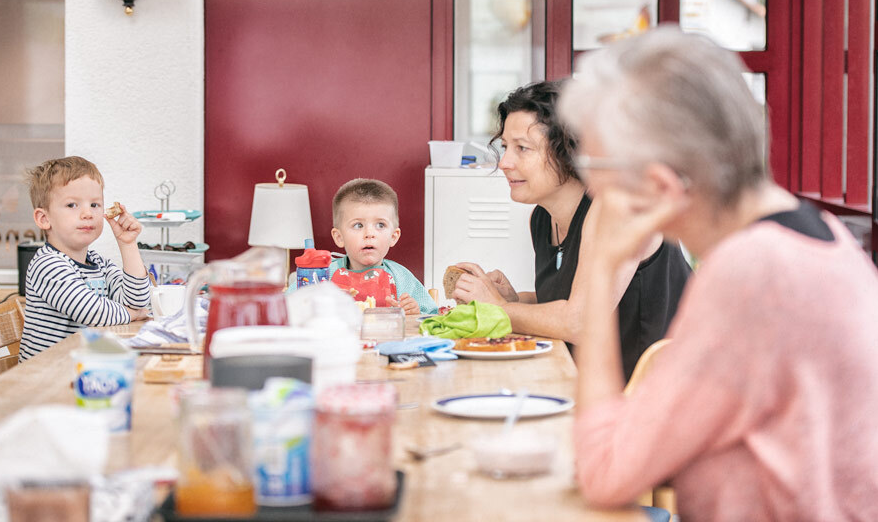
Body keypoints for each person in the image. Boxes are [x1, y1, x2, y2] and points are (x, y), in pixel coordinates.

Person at [564, 27, 878, 520]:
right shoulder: (827, 237)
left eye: (593, 170)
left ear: (659, 186)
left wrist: (603, 266)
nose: (591, 193)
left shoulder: (753, 273)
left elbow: (605, 471)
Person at [452, 81, 691, 379]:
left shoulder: (617, 208)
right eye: (504, 147)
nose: (504, 162)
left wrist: (497, 308)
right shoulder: (542, 218)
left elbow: (580, 322)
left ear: (570, 152)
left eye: (522, 148)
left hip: (661, 394)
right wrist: (515, 301)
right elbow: (570, 300)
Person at [19, 156, 151, 361]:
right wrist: (133, 314)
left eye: (95, 205)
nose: (87, 213)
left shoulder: (99, 263)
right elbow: (93, 313)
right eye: (72, 205)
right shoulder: (48, 264)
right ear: (44, 219)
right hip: (45, 377)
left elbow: (139, 301)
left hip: (82, 368)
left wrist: (128, 244)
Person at [297, 178, 437, 315]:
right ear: (339, 237)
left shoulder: (402, 278)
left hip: (389, 337)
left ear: (393, 237)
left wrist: (414, 311)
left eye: (380, 225)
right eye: (358, 225)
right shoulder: (323, 275)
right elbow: (290, 306)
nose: (369, 234)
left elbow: (431, 316)